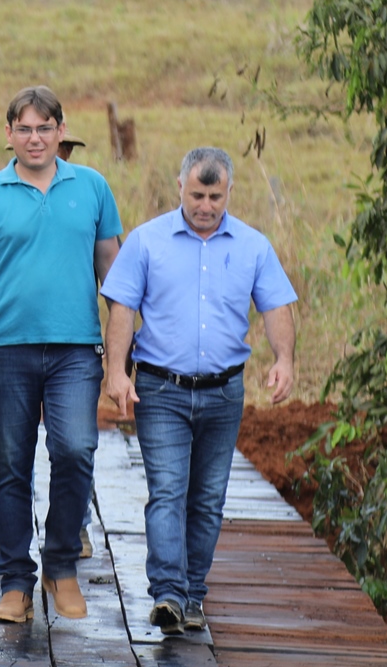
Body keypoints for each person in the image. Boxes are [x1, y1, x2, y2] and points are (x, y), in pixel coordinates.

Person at [101, 146, 297, 634]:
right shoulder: (147, 242)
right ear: (179, 190)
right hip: (161, 389)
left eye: (214, 195)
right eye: (196, 195)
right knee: (167, 492)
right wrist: (117, 372)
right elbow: (121, 309)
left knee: (208, 498)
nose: (205, 205)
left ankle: (192, 593)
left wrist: (285, 359)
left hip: (224, 393)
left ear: (229, 192)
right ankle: (167, 593)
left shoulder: (253, 247)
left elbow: (276, 307)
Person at [0, 86, 123, 625]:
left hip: (75, 348)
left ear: (59, 131)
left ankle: (61, 565)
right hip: (5, 347)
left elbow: (114, 276)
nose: (34, 138)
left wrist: (122, 354)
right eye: (23, 128)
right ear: (9, 134)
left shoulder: (92, 187)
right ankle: (16, 582)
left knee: (75, 450)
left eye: (44, 128)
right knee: (10, 465)